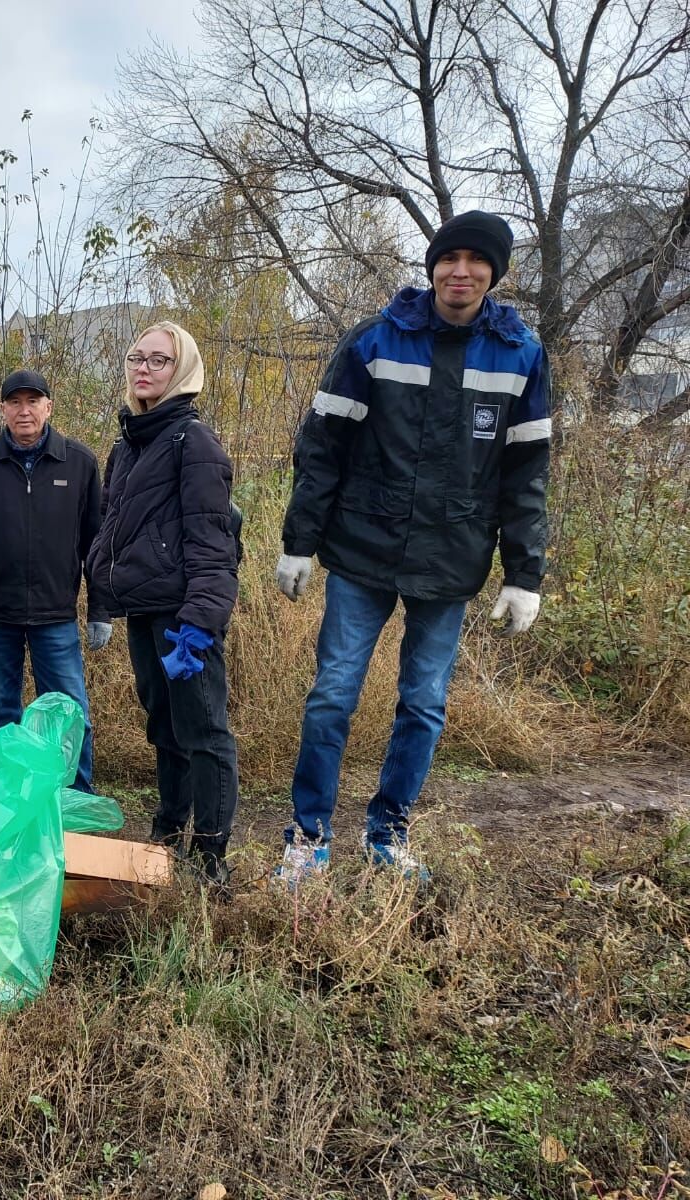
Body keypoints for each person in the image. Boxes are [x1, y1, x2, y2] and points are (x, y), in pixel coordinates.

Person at [274, 210, 551, 885]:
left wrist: (525, 575)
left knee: (423, 704)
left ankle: (387, 835)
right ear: (432, 267)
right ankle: (307, 839)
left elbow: (527, 474)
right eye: (448, 258)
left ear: (494, 273)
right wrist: (299, 543)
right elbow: (322, 449)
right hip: (362, 550)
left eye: (475, 262)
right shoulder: (375, 341)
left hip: (450, 559)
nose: (460, 271)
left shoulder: (520, 355)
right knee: (333, 696)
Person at [86, 321, 240, 883]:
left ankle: (209, 857)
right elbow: (115, 524)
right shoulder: (129, 444)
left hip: (184, 618)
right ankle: (168, 834)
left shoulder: (193, 442)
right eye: (136, 358)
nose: (144, 368)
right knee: (164, 727)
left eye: (159, 360)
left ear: (183, 373)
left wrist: (200, 623)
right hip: (145, 609)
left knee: (204, 732)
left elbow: (212, 543)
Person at [0, 368, 108, 791]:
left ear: (49, 407)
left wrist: (101, 609)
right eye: (15, 402)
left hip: (56, 616)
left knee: (70, 713)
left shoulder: (80, 463)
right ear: (2, 410)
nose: (24, 411)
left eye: (33, 401)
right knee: (1, 714)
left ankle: (74, 800)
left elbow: (96, 546)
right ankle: (10, 795)